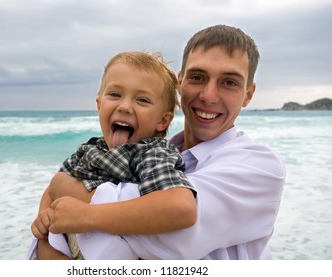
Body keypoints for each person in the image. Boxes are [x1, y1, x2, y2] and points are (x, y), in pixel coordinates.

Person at [45, 24, 286, 259]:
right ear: (180, 82)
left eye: (229, 82)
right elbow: (48, 230)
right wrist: (46, 238)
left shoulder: (259, 165)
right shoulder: (140, 150)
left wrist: (66, 191)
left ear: (248, 94)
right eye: (198, 77)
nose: (208, 96)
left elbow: (175, 238)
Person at [29, 51, 197, 259]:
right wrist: (43, 218)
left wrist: (85, 215)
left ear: (163, 121)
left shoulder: (151, 153)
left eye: (142, 100)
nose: (125, 106)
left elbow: (180, 208)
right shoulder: (89, 149)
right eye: (115, 95)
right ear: (99, 104)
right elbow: (53, 187)